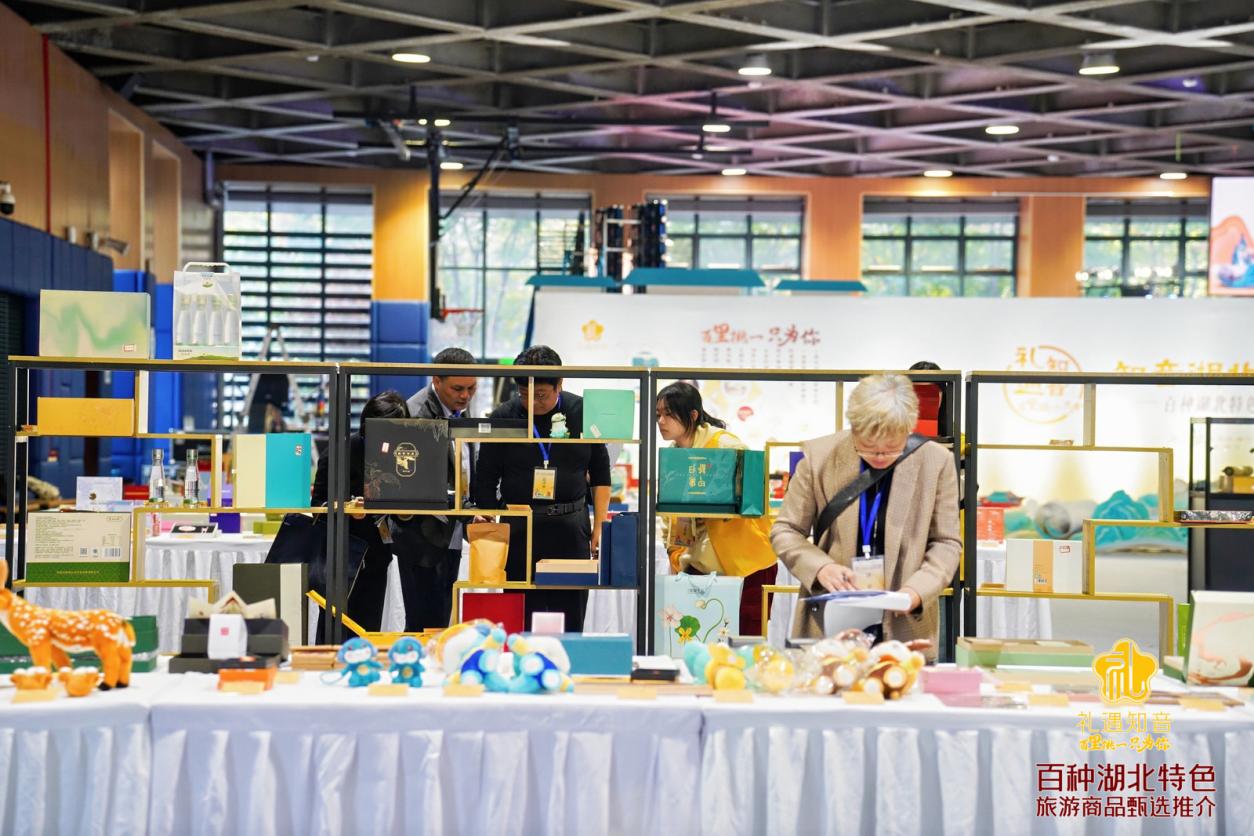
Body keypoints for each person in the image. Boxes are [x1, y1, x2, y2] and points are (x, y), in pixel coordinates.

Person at [770, 374, 959, 658]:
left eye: (891, 450)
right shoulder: (819, 457)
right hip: (832, 616)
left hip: (903, 620)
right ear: (854, 428)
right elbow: (786, 530)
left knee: (898, 682)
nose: (880, 457)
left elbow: (946, 542)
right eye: (869, 449)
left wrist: (917, 591)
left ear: (908, 429)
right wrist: (821, 568)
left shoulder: (936, 461)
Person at [472, 345, 611, 631]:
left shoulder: (583, 412)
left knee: (571, 615)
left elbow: (601, 473)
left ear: (560, 384)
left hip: (570, 527)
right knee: (521, 615)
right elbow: (485, 476)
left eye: (541, 395)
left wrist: (599, 525)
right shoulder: (504, 416)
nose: (532, 403)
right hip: (520, 528)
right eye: (525, 394)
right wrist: (490, 516)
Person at [657, 382, 777, 635]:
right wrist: (675, 554)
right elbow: (670, 514)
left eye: (668, 414)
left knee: (745, 640)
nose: (661, 421)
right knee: (697, 638)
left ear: (692, 415)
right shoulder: (673, 455)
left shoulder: (725, 445)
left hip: (748, 563)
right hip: (700, 567)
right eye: (658, 414)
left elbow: (756, 496)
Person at [311, 389, 408, 632]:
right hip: (340, 557)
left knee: (369, 627)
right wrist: (347, 509)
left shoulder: (398, 454)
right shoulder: (338, 454)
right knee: (334, 629)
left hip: (377, 555)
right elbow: (318, 507)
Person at [398, 346, 479, 629]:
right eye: (458, 388)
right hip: (423, 535)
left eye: (471, 388)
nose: (465, 395)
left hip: (452, 528)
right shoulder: (416, 413)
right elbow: (420, 481)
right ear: (436, 380)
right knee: (424, 621)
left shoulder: (461, 408)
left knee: (442, 616)